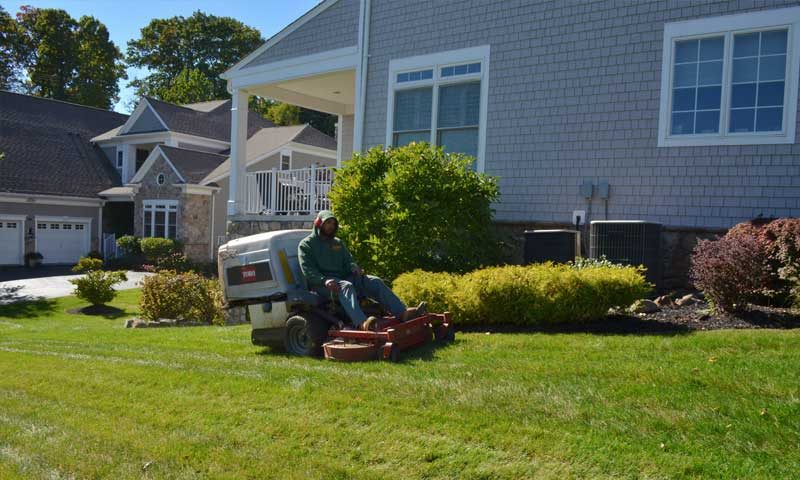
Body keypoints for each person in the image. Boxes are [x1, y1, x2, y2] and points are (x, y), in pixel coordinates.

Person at [298, 210, 425, 331]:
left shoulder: (337, 243)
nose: (331, 226)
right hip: (322, 285)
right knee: (346, 286)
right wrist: (324, 280)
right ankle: (362, 323)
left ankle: (402, 313)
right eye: (327, 223)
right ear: (319, 223)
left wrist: (354, 267)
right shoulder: (306, 245)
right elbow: (308, 270)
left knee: (374, 281)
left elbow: (349, 261)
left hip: (342, 279)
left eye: (333, 223)